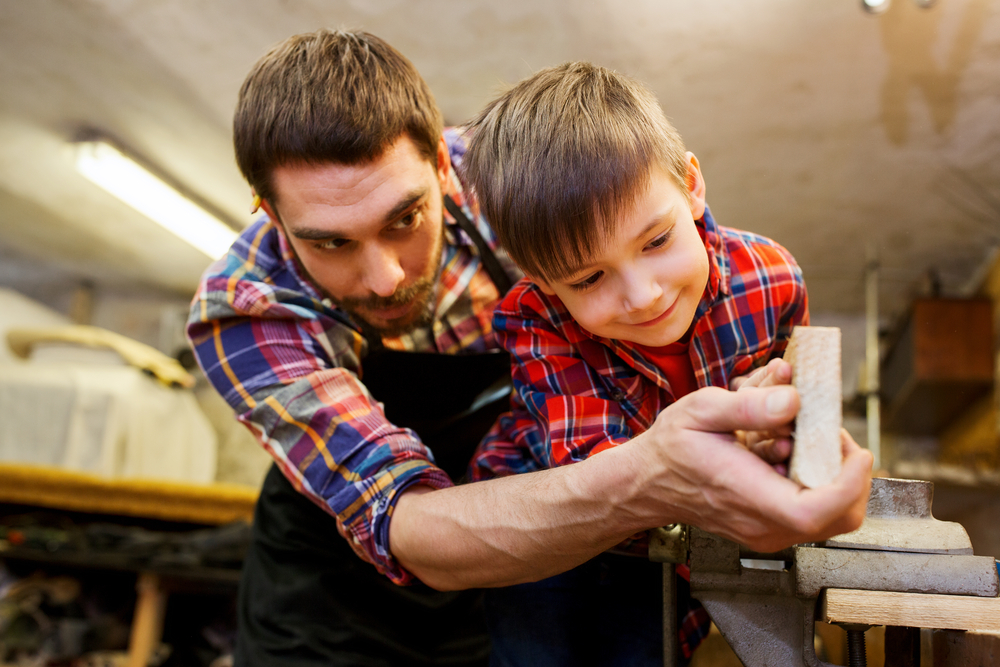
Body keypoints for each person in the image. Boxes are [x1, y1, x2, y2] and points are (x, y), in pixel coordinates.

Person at [186, 30, 872, 667]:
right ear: (271, 215)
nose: (386, 276)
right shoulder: (245, 311)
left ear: (442, 168)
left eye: (405, 218)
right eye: (330, 242)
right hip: (330, 602)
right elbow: (403, 518)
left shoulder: (513, 186)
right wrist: (654, 474)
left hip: (531, 562)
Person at [460, 61, 874, 665]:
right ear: (543, 282)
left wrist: (781, 418)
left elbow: (796, 422)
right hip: (543, 524)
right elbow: (597, 475)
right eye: (588, 278)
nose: (643, 295)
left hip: (671, 542)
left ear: (691, 183)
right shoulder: (532, 317)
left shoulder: (774, 278)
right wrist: (737, 434)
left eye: (656, 242)